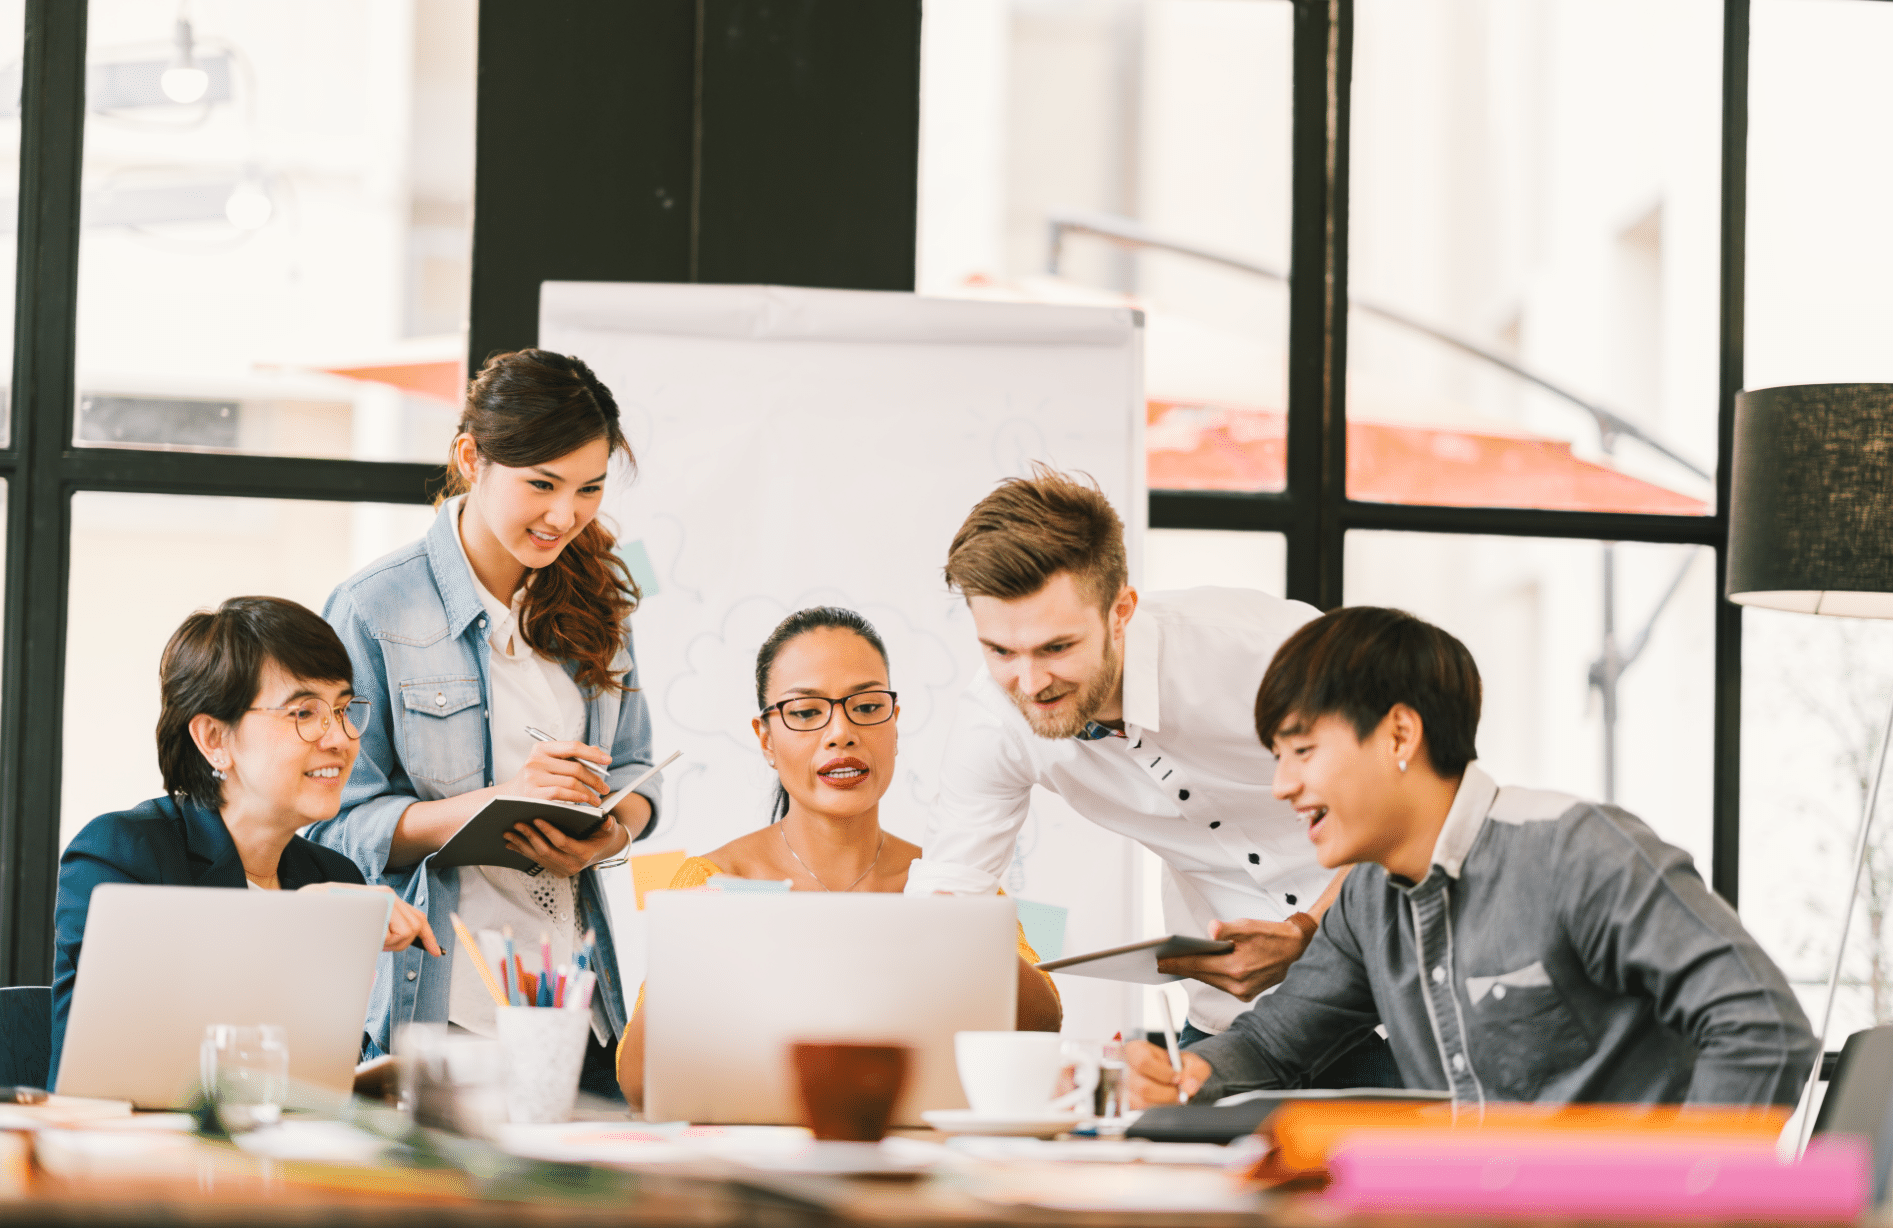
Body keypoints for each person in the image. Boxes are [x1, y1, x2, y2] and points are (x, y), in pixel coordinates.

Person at [1125, 606, 1818, 1109]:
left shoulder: (1576, 851)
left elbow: (1762, 1027)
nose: (1281, 786)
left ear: (1399, 734)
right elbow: (1275, 1045)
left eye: (1302, 751)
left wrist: (1686, 1199)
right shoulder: (1367, 899)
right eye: (1277, 757)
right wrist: (1181, 1074)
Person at [908, 466, 1393, 1082]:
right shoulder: (994, 719)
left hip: (1401, 993)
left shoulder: (1265, 650)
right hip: (1240, 1023)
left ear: (1122, 611)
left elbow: (1406, 808)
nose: (1029, 684)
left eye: (1058, 648)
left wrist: (1306, 932)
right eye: (1000, 651)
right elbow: (950, 902)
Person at [310, 349, 661, 1099]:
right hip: (445, 1011)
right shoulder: (374, 607)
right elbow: (328, 826)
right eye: (541, 484)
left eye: (589, 489)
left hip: (578, 1006)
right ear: (471, 458)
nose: (565, 515)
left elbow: (635, 770)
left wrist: (612, 831)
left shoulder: (602, 599)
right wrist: (487, 806)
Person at [616, 607, 1062, 1108]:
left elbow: (1044, 1026)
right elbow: (638, 1086)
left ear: (895, 723)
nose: (840, 733)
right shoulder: (717, 880)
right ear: (766, 739)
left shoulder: (950, 880)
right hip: (760, 1169)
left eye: (867, 707)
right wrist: (693, 950)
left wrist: (961, 932)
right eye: (806, 713)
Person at [50, 598, 439, 1086]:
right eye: (304, 712)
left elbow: (314, 1077)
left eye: (342, 709)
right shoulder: (120, 855)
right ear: (215, 738)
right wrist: (291, 923)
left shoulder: (332, 876)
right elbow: (104, 1065)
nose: (339, 738)